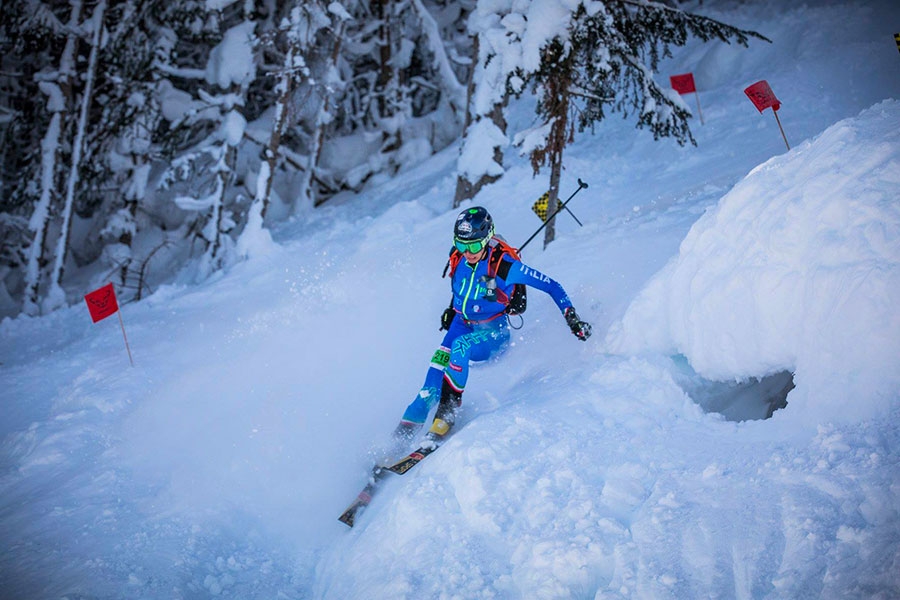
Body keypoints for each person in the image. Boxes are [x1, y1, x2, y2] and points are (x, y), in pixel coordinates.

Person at [391, 206, 592, 449]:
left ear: (486, 239)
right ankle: (396, 440)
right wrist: (451, 308)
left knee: (460, 346)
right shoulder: (458, 256)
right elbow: (462, 288)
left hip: (492, 333)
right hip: (460, 323)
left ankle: (446, 415)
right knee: (429, 386)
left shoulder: (505, 266)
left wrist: (572, 318)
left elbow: (552, 286)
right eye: (462, 245)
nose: (468, 252)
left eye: (474, 246)